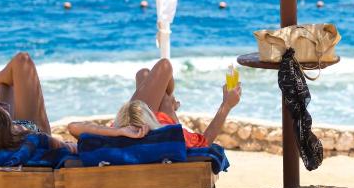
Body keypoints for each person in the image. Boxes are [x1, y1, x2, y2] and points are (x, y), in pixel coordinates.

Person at [0, 52, 146, 153]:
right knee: (22, 61)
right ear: (8, 124)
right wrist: (116, 133)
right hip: (32, 127)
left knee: (4, 89)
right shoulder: (34, 140)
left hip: (0, 130)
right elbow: (72, 147)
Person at [68, 58, 241, 148]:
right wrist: (226, 105)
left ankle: (171, 102)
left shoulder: (113, 137)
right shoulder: (170, 135)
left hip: (134, 125)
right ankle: (171, 101)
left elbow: (73, 127)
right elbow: (204, 142)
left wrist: (118, 131)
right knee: (161, 69)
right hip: (155, 124)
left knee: (144, 74)